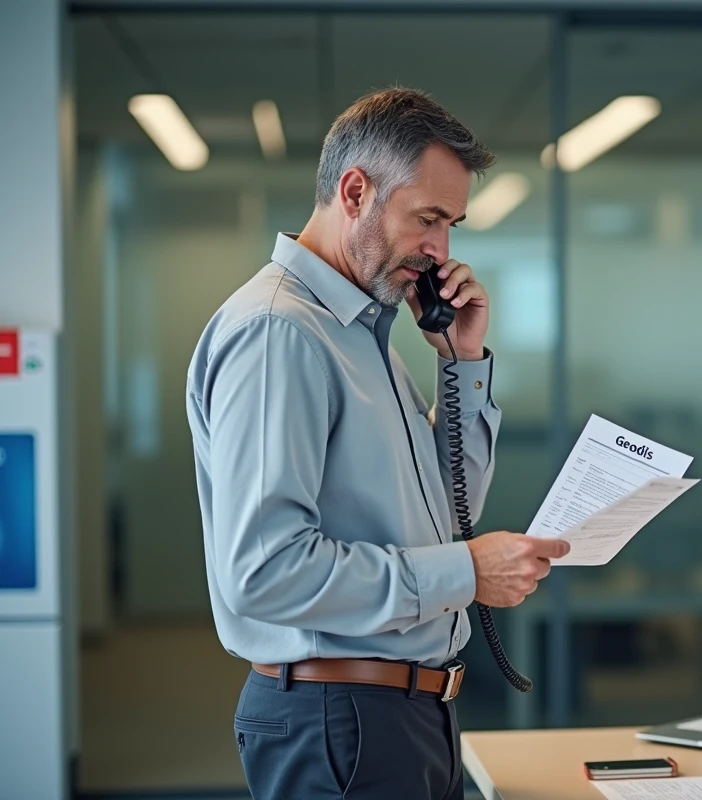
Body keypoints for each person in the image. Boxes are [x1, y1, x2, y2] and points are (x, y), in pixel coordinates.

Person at [185, 87, 570, 800]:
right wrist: (464, 573)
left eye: (450, 224)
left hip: (402, 713)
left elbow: (445, 507)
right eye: (427, 219)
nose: (440, 251)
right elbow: (264, 571)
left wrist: (461, 361)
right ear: (356, 192)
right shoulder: (279, 333)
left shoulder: (364, 332)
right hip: (340, 719)